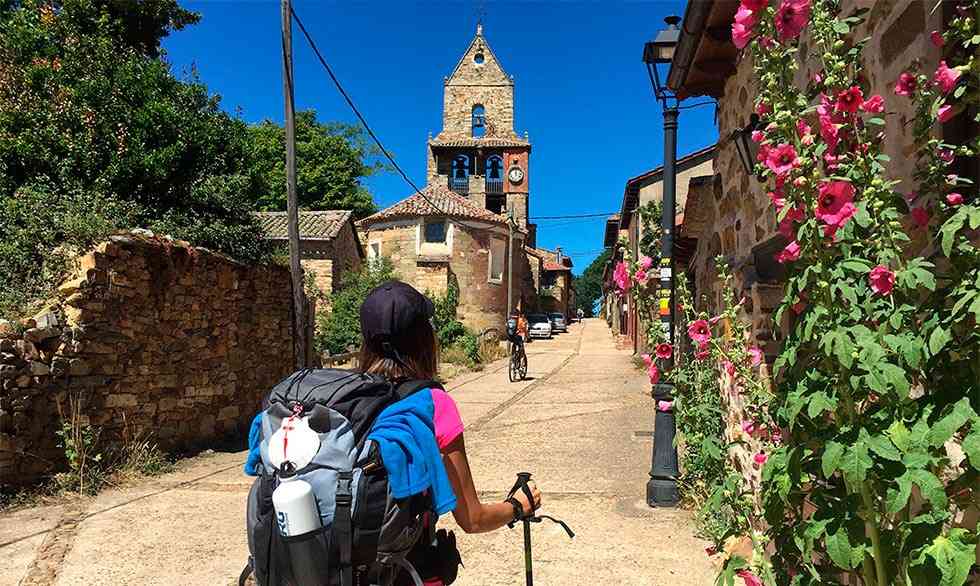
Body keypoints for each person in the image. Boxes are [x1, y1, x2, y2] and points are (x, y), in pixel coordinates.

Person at [360, 281, 542, 584]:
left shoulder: (345, 400)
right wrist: (517, 507)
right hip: (403, 571)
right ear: (423, 338)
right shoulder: (432, 404)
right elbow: (472, 518)